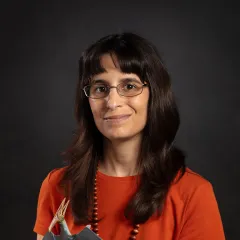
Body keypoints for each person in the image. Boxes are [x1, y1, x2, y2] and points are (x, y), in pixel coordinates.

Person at [34, 32, 225, 240]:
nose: (112, 102)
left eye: (129, 86)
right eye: (100, 88)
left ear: (154, 95)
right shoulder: (58, 186)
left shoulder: (193, 193)